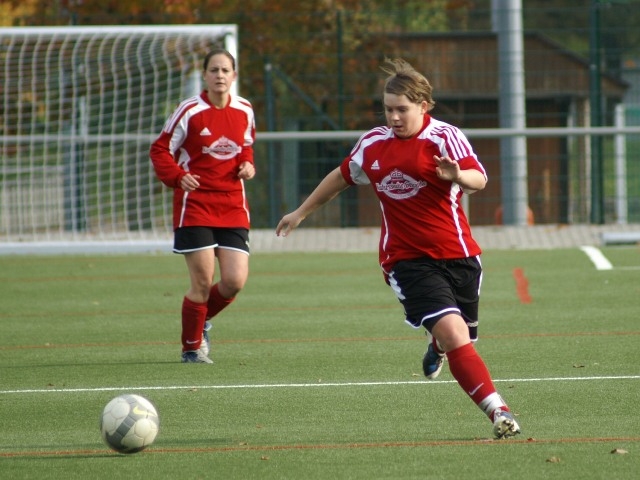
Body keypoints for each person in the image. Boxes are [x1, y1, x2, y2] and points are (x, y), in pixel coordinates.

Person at [276, 58, 521, 439]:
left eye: (401, 109)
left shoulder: (444, 137)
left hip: (460, 256)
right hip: (406, 260)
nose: (393, 117)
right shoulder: (374, 144)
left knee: (461, 338)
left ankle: (436, 346)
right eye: (388, 109)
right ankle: (498, 411)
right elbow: (342, 177)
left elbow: (480, 178)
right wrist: (301, 213)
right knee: (456, 334)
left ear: (423, 106)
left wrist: (457, 175)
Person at [150, 49, 256, 364]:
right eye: (214, 70)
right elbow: (160, 149)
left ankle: (201, 322)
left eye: (225, 70)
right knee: (201, 280)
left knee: (235, 280)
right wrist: (177, 176)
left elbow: (246, 147)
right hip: (195, 206)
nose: (220, 75)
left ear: (234, 75)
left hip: (232, 204)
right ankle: (192, 348)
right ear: (205, 76)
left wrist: (247, 166)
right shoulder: (190, 110)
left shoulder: (245, 110)